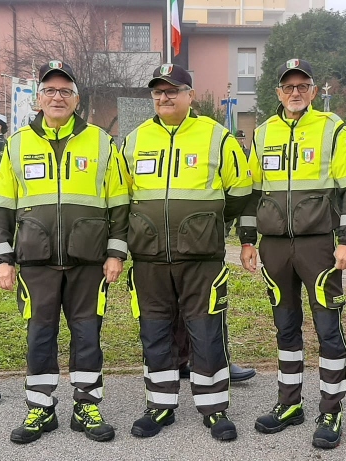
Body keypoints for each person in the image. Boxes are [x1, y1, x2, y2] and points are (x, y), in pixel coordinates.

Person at [0, 60, 128, 444]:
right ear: (38, 99)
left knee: (88, 334)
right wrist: (2, 258)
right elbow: (0, 207)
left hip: (89, 262)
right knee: (39, 335)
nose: (57, 97)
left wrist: (116, 253)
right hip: (36, 263)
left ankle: (86, 405)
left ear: (76, 99)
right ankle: (40, 408)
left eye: (65, 91)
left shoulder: (101, 141)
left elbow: (119, 204)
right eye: (49, 91)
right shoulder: (16, 144)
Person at [121, 64, 251, 441]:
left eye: (173, 90)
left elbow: (240, 193)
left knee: (206, 331)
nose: (165, 97)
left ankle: (214, 409)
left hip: (201, 259)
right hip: (148, 258)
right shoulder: (134, 140)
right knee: (155, 331)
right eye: (158, 91)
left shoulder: (216, 137)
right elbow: (120, 196)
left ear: (190, 95)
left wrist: (209, 225)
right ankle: (160, 407)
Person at [238, 58, 346, 449]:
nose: (295, 92)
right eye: (288, 86)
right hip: (274, 246)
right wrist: (246, 238)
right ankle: (289, 403)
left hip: (318, 245)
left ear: (313, 91)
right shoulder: (262, 133)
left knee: (328, 328)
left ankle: (331, 409)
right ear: (278, 92)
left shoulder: (331, 128)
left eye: (302, 86)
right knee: (285, 327)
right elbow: (251, 191)